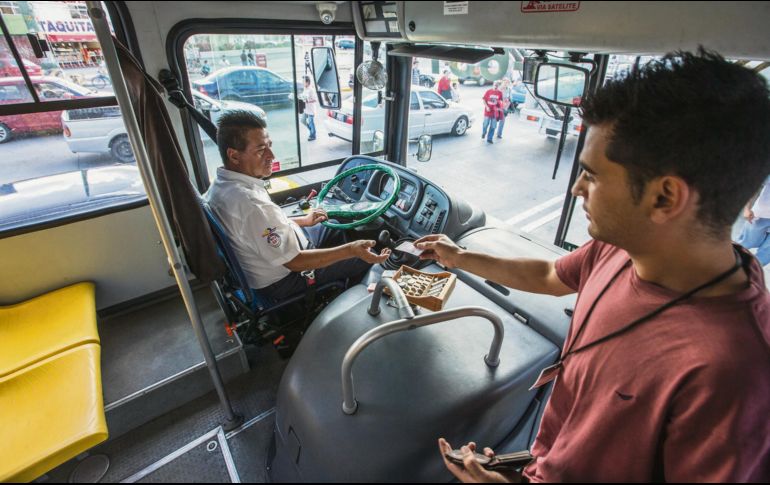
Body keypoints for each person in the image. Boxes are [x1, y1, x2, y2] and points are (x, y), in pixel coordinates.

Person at [420, 50, 770, 482]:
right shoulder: (622, 248)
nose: (576, 189)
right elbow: (550, 276)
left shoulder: (732, 374)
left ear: (664, 198)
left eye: (591, 175)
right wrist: (458, 257)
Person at [205, 111, 391, 301]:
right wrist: (351, 250)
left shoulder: (220, 185)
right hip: (285, 279)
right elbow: (295, 262)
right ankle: (344, 302)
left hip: (277, 252)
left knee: (333, 224)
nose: (272, 155)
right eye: (261, 150)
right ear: (234, 156)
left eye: (269, 146)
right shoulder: (251, 204)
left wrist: (303, 220)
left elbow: (261, 228)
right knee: (363, 258)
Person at [736, 176, 770, 266]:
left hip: (760, 214)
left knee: (764, 256)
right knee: (744, 244)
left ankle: (746, 275)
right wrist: (747, 208)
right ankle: (724, 267)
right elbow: (754, 186)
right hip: (759, 215)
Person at [300, 76, 318, 141]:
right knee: (302, 120)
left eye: (303, 82)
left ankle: (313, 135)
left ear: (307, 82)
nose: (302, 83)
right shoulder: (305, 88)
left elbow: (315, 99)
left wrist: (308, 101)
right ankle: (311, 130)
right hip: (306, 109)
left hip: (311, 110)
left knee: (311, 122)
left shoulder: (311, 90)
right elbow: (304, 96)